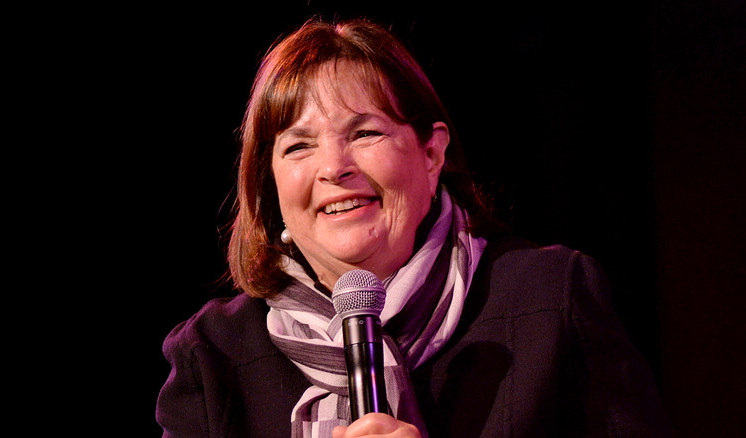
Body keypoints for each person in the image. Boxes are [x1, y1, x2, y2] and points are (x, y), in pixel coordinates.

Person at [156, 18, 674, 438]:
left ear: (431, 153)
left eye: (364, 132)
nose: (334, 167)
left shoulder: (551, 299)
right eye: (298, 145)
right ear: (269, 184)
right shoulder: (213, 353)